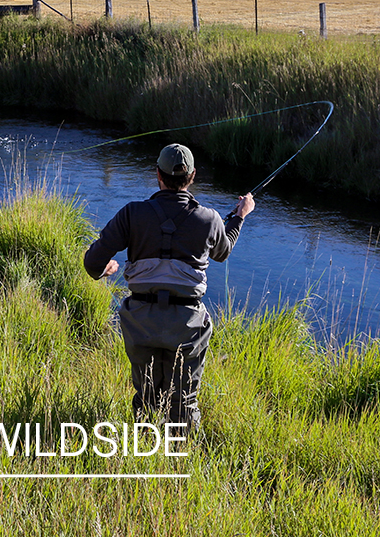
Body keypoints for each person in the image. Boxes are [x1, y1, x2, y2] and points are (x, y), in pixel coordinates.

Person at [83, 143, 254, 427]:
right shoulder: (209, 219)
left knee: (146, 395)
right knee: (184, 401)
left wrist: (105, 270)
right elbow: (223, 252)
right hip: (187, 323)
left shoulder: (131, 213)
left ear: (158, 175)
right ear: (193, 175)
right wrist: (240, 216)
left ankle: (143, 453)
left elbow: (92, 263)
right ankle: (179, 462)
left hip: (140, 320)